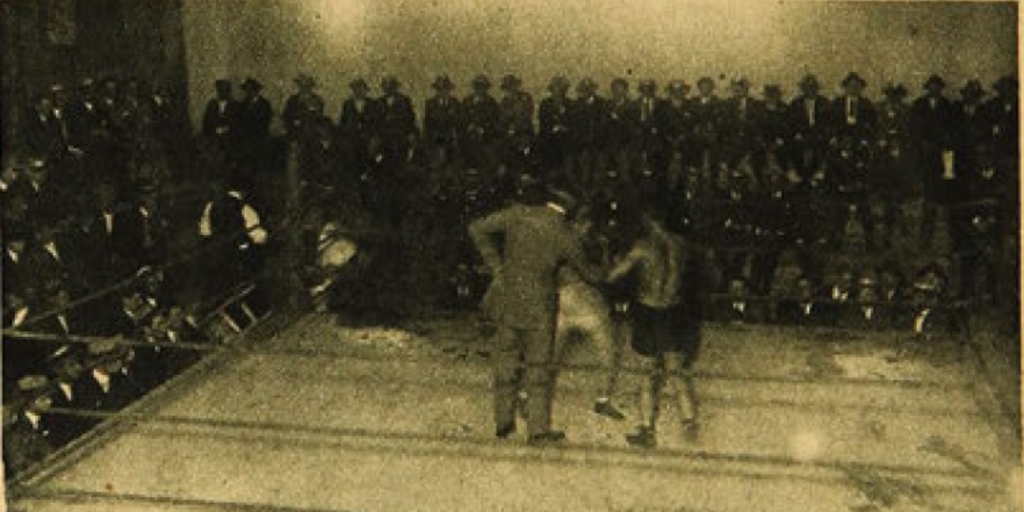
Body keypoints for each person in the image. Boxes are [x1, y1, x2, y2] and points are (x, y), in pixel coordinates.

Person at [469, 182, 602, 444]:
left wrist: (497, 266)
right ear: (571, 210)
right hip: (540, 307)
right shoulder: (565, 233)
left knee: (505, 360)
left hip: (509, 300)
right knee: (538, 368)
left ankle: (503, 423)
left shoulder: (518, 214)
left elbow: (476, 228)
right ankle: (538, 430)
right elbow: (590, 273)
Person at [606, 205, 711, 448]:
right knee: (677, 372)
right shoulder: (682, 246)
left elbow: (613, 276)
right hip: (675, 312)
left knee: (647, 374)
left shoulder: (643, 247)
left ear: (648, 219)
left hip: (649, 311)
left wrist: (612, 265)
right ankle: (689, 425)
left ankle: (646, 430)